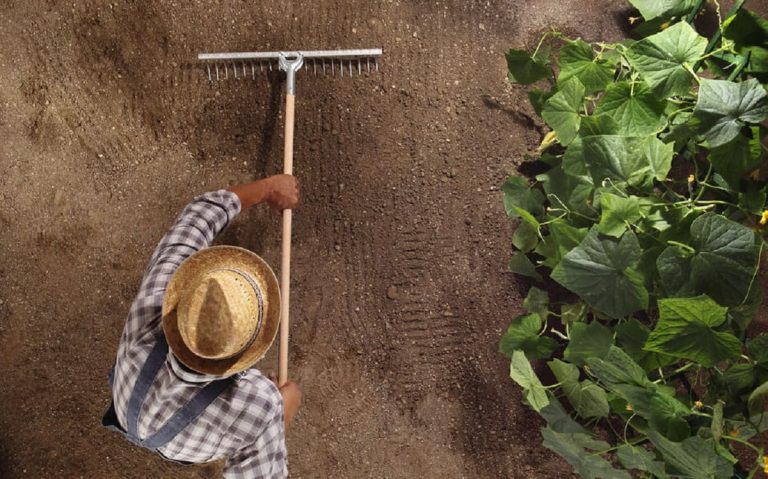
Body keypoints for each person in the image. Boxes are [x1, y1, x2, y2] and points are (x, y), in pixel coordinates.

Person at [102, 175, 302, 478]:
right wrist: (282, 414)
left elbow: (199, 215)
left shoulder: (154, 303)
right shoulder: (261, 405)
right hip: (184, 447)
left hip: (126, 404)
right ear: (245, 355)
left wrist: (267, 187)